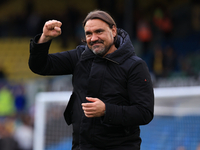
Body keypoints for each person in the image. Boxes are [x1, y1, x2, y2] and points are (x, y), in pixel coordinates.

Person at [28, 10, 154, 150]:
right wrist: (45, 38)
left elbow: (144, 112)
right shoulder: (79, 56)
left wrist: (106, 110)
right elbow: (39, 66)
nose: (93, 38)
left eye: (99, 31)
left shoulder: (135, 65)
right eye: (88, 33)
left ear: (113, 31)